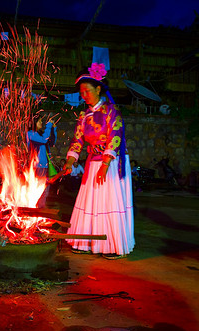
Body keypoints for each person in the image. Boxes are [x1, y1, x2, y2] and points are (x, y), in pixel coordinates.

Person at [61, 63, 134, 259]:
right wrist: (70, 161)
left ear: (98, 89)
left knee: (107, 201)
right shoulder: (83, 116)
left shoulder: (112, 111)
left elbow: (115, 136)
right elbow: (77, 140)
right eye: (81, 92)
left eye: (87, 91)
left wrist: (105, 164)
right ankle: (85, 242)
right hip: (92, 162)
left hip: (109, 162)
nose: (83, 95)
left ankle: (111, 244)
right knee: (91, 201)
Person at [27, 113, 57, 207]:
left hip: (45, 166)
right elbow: (44, 140)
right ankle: (36, 211)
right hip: (37, 166)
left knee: (45, 190)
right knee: (38, 190)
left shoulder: (41, 134)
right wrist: (48, 126)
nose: (41, 122)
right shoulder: (30, 134)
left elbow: (52, 142)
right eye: (39, 121)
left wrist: (53, 129)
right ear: (34, 122)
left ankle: (40, 211)